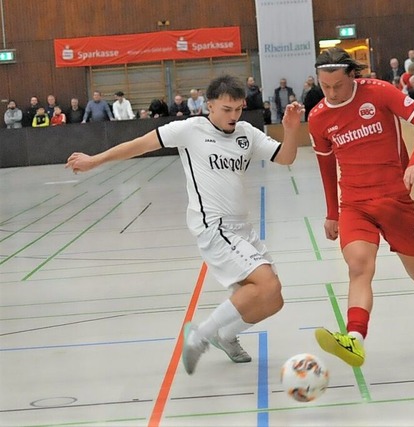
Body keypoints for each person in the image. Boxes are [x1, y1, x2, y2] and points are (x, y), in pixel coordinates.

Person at [65, 75, 306, 375]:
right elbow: (139, 146)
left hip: (241, 228)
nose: (233, 116)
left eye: (238, 109)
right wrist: (94, 160)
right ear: (210, 106)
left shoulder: (246, 133)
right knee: (265, 283)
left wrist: (291, 130)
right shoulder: (190, 130)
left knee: (273, 299)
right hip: (213, 226)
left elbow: (285, 157)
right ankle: (201, 334)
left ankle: (226, 336)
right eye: (226, 109)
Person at [307, 47, 414, 368]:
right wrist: (333, 212)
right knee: (359, 267)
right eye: (324, 86)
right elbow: (326, 167)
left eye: (337, 86)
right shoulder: (318, 117)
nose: (331, 93)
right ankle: (355, 339)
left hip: (395, 201)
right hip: (355, 204)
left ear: (352, 76)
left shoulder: (380, 93)